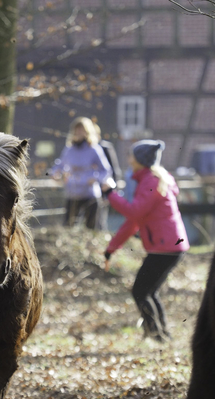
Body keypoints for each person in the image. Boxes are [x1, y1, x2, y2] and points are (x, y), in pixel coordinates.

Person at [102, 139, 189, 341]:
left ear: (141, 159)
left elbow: (134, 211)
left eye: (132, 155)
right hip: (167, 245)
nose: (129, 158)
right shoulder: (151, 179)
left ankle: (156, 335)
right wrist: (112, 248)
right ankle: (161, 334)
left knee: (141, 291)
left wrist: (109, 194)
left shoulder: (151, 181)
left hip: (165, 246)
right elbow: (135, 220)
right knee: (148, 291)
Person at [51, 117, 112, 230]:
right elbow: (58, 165)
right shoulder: (69, 149)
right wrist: (54, 173)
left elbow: (106, 170)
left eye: (81, 129)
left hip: (90, 194)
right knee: (68, 227)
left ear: (87, 131)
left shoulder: (94, 149)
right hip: (72, 194)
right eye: (76, 129)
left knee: (91, 229)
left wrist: (95, 178)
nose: (78, 132)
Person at [94, 123, 121, 231]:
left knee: (100, 219)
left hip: (103, 189)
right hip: (88, 189)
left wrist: (112, 191)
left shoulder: (105, 148)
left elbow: (114, 170)